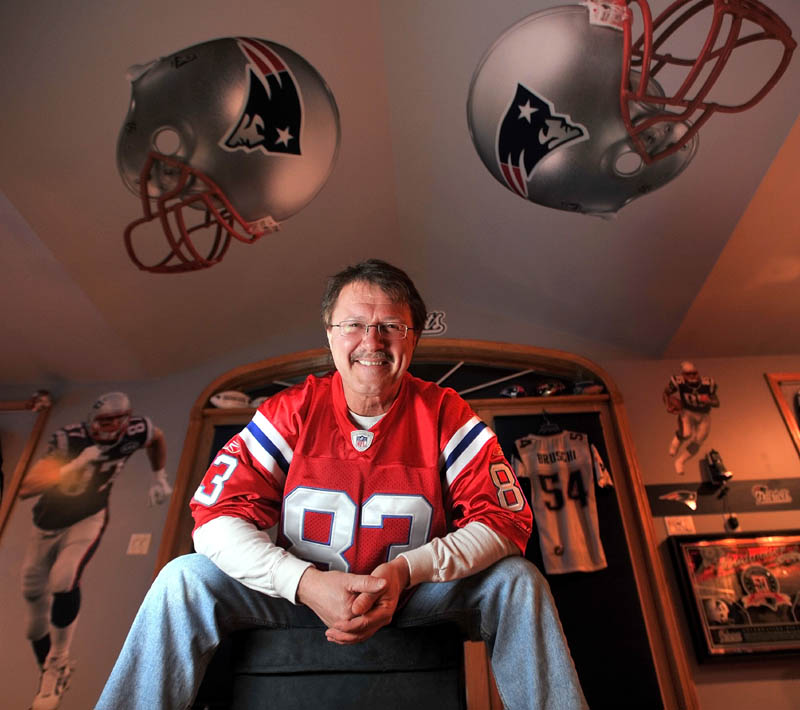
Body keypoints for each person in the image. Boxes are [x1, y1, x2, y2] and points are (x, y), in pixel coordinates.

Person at [95, 259, 587, 710]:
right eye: (354, 325)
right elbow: (214, 520)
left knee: (517, 581)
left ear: (412, 340)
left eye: (391, 326)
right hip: (298, 597)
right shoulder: (291, 411)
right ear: (331, 336)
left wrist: (404, 572)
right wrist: (305, 582)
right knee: (185, 577)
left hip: (412, 597)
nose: (372, 341)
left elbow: (504, 522)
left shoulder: (445, 412)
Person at [19, 391, 171, 710]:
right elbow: (27, 488)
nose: (114, 426)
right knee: (33, 601)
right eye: (106, 420)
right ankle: (47, 662)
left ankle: (57, 665)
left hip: (89, 517)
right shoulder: (69, 439)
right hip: (46, 524)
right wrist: (72, 465)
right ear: (93, 420)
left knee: (63, 579)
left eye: (120, 419)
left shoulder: (137, 430)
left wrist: (159, 476)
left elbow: (155, 438)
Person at [663, 361, 719, 475]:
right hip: (688, 412)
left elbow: (717, 402)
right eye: (689, 374)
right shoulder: (678, 382)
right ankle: (676, 443)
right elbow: (666, 393)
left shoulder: (707, 383)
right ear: (683, 375)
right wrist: (668, 405)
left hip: (704, 414)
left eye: (694, 373)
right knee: (686, 434)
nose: (692, 376)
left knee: (698, 440)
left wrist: (709, 401)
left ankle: (680, 461)